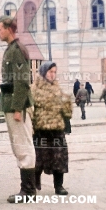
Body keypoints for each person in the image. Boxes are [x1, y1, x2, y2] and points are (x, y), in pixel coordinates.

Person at [0, 16, 36, 203]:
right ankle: (27, 189)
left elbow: (22, 81)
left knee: (23, 145)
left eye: (0, 28)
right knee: (18, 145)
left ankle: (28, 191)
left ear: (9, 29)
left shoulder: (17, 50)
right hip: (11, 103)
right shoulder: (11, 49)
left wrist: (18, 108)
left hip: (17, 105)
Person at [31, 61, 73, 196]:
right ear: (43, 72)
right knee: (39, 158)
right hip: (40, 130)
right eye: (50, 72)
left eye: (55, 72)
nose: (53, 75)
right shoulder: (34, 89)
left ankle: (59, 186)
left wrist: (68, 104)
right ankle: (35, 180)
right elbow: (30, 110)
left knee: (59, 158)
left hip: (57, 130)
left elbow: (67, 112)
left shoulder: (58, 89)